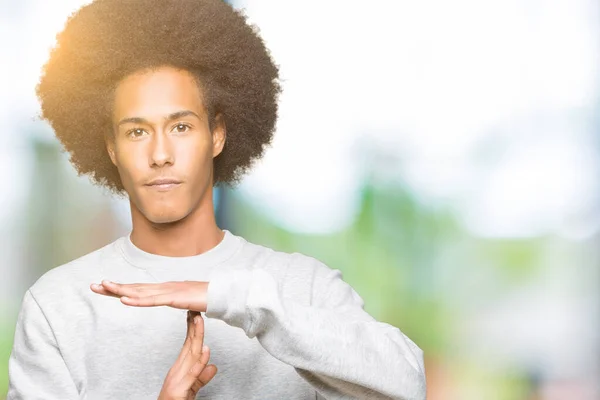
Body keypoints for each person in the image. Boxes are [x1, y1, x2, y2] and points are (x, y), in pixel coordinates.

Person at [7, 0, 426, 399]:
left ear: (218, 134)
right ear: (112, 148)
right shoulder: (59, 304)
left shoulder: (303, 288)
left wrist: (236, 298)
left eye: (181, 127)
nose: (159, 154)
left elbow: (408, 385)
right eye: (137, 132)